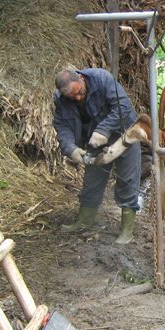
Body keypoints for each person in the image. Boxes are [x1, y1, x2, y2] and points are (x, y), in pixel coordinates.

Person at [53, 68, 141, 243]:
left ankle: (126, 230)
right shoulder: (62, 100)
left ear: (81, 78)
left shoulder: (102, 79)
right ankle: (86, 220)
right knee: (92, 181)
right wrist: (71, 148)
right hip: (94, 139)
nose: (78, 98)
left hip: (124, 135)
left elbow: (123, 106)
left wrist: (104, 129)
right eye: (72, 97)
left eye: (79, 92)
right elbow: (62, 126)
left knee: (127, 180)